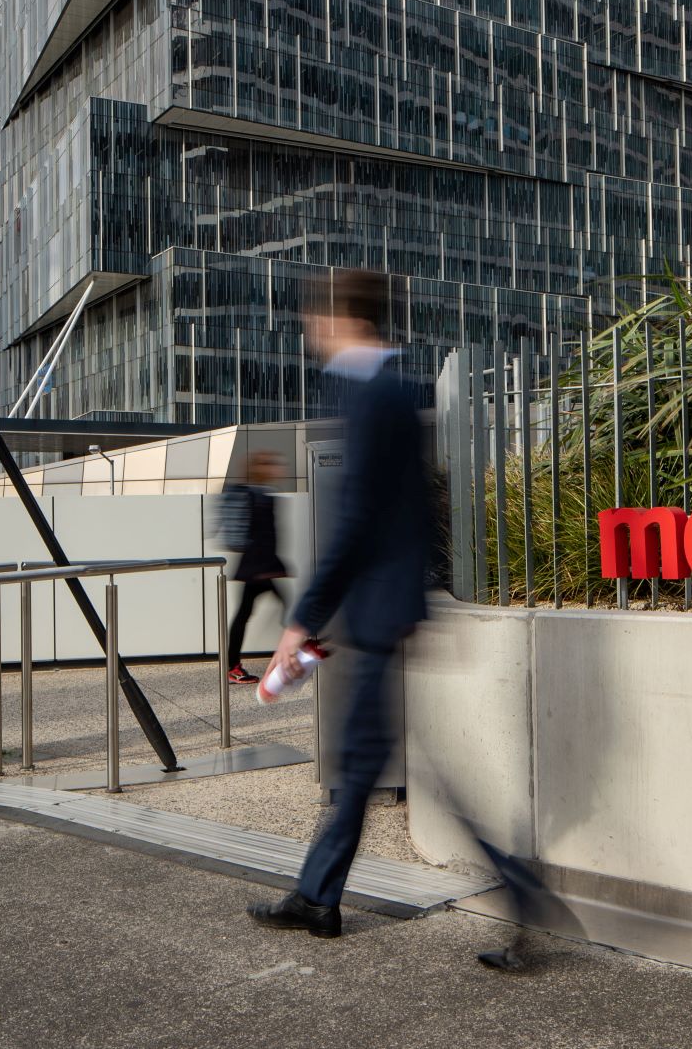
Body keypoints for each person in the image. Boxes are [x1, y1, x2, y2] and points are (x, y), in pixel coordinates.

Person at [248, 271, 431, 939]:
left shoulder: (372, 396)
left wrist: (302, 619)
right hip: (385, 606)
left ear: (343, 318)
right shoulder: (392, 391)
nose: (310, 332)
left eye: (315, 319)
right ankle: (316, 896)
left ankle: (524, 898)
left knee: (379, 763)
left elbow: (356, 521)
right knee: (359, 760)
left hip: (378, 608)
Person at [220, 451, 290, 686]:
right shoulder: (257, 496)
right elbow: (261, 537)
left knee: (244, 615)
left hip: (260, 567)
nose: (277, 468)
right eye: (271, 463)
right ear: (261, 468)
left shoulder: (261, 493)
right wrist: (270, 568)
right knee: (287, 608)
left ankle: (232, 666)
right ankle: (297, 650)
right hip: (259, 568)